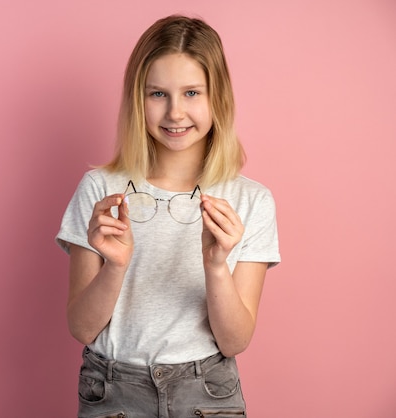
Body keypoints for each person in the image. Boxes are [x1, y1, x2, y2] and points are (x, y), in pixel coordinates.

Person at [56, 15, 280, 418]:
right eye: (157, 94)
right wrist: (115, 265)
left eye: (192, 92)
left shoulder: (251, 201)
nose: (176, 112)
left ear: (219, 98)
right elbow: (82, 329)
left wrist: (215, 266)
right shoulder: (100, 191)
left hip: (207, 395)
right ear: (136, 99)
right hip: (113, 393)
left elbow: (234, 341)